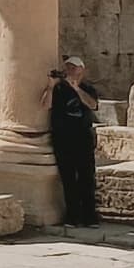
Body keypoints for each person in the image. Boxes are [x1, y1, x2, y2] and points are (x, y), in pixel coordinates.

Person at [49, 54, 103, 226]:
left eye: (74, 68)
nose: (70, 70)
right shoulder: (59, 89)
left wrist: (77, 89)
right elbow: (46, 105)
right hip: (63, 137)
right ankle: (72, 216)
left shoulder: (87, 88)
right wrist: (51, 86)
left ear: (82, 71)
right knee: (68, 179)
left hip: (82, 137)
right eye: (68, 67)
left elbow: (93, 105)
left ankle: (89, 216)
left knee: (86, 178)